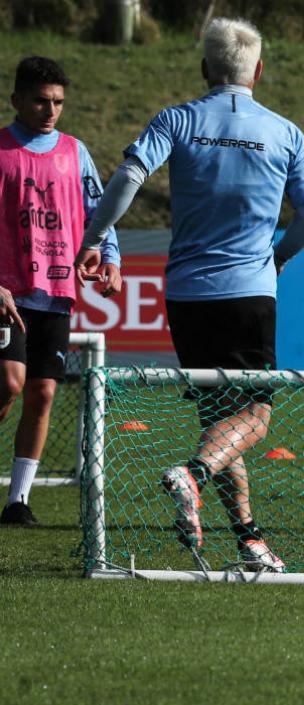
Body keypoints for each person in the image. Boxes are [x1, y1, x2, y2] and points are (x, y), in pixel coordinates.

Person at [76, 18, 304, 571]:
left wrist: (95, 237)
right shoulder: (284, 131)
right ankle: (191, 474)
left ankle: (249, 539)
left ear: (204, 69)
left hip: (187, 294)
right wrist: (279, 256)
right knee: (254, 418)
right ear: (259, 69)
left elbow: (129, 176)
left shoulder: (178, 119)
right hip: (249, 292)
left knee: (219, 418)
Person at [0, 56, 122, 527]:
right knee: (7, 384)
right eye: (40, 100)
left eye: (58, 103)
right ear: (16, 101)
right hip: (7, 294)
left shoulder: (76, 152)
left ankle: (17, 502)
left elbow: (99, 212)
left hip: (55, 291)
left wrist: (110, 259)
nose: (50, 110)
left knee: (43, 393)